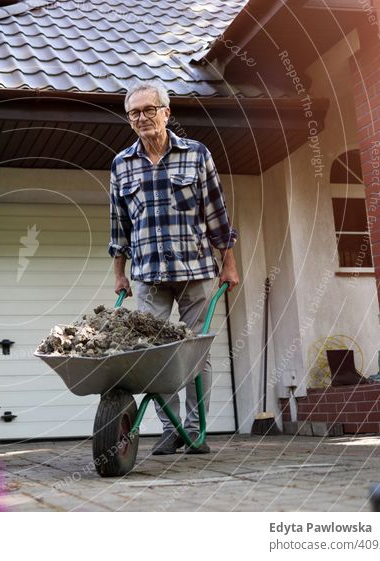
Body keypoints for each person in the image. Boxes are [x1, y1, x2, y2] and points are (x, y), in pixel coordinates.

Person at [108, 80, 240, 455]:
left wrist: (228, 264)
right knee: (155, 355)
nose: (143, 118)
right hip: (148, 276)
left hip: (196, 270)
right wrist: (119, 273)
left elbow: (217, 214)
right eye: (135, 113)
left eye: (150, 110)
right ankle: (172, 428)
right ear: (129, 121)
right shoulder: (122, 164)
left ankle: (197, 431)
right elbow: (120, 225)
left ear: (167, 112)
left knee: (196, 353)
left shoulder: (197, 155)